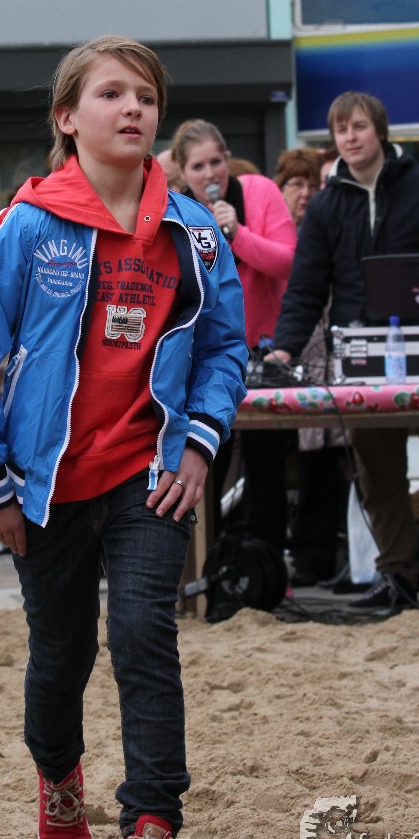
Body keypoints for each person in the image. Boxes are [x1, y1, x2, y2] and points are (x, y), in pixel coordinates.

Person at [0, 35, 246, 839]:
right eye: (111, 93)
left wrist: (198, 443)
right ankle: (58, 774)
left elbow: (226, 347)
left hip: (151, 474)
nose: (133, 107)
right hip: (44, 489)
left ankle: (151, 830)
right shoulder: (28, 224)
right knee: (61, 655)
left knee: (145, 635)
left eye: (145, 95)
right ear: (68, 117)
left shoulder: (192, 230)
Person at [269, 91, 419, 610]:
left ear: (379, 130)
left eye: (358, 127)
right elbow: (306, 287)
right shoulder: (327, 204)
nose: (350, 138)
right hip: (362, 358)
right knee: (377, 473)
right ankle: (396, 575)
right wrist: (284, 351)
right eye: (341, 130)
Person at [171, 118, 296, 558]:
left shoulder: (260, 192)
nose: (210, 174)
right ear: (183, 173)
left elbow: (287, 262)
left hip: (262, 353)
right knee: (205, 459)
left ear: (228, 159)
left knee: (266, 464)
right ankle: (204, 566)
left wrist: (238, 234)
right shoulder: (178, 213)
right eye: (198, 166)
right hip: (205, 363)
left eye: (216, 162)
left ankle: (267, 567)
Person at [274, 147, 348, 585]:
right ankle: (306, 554)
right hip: (290, 354)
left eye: (314, 184)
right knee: (300, 462)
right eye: (297, 184)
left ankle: (329, 554)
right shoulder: (275, 233)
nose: (306, 193)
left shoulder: (333, 225)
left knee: (333, 458)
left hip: (332, 356)